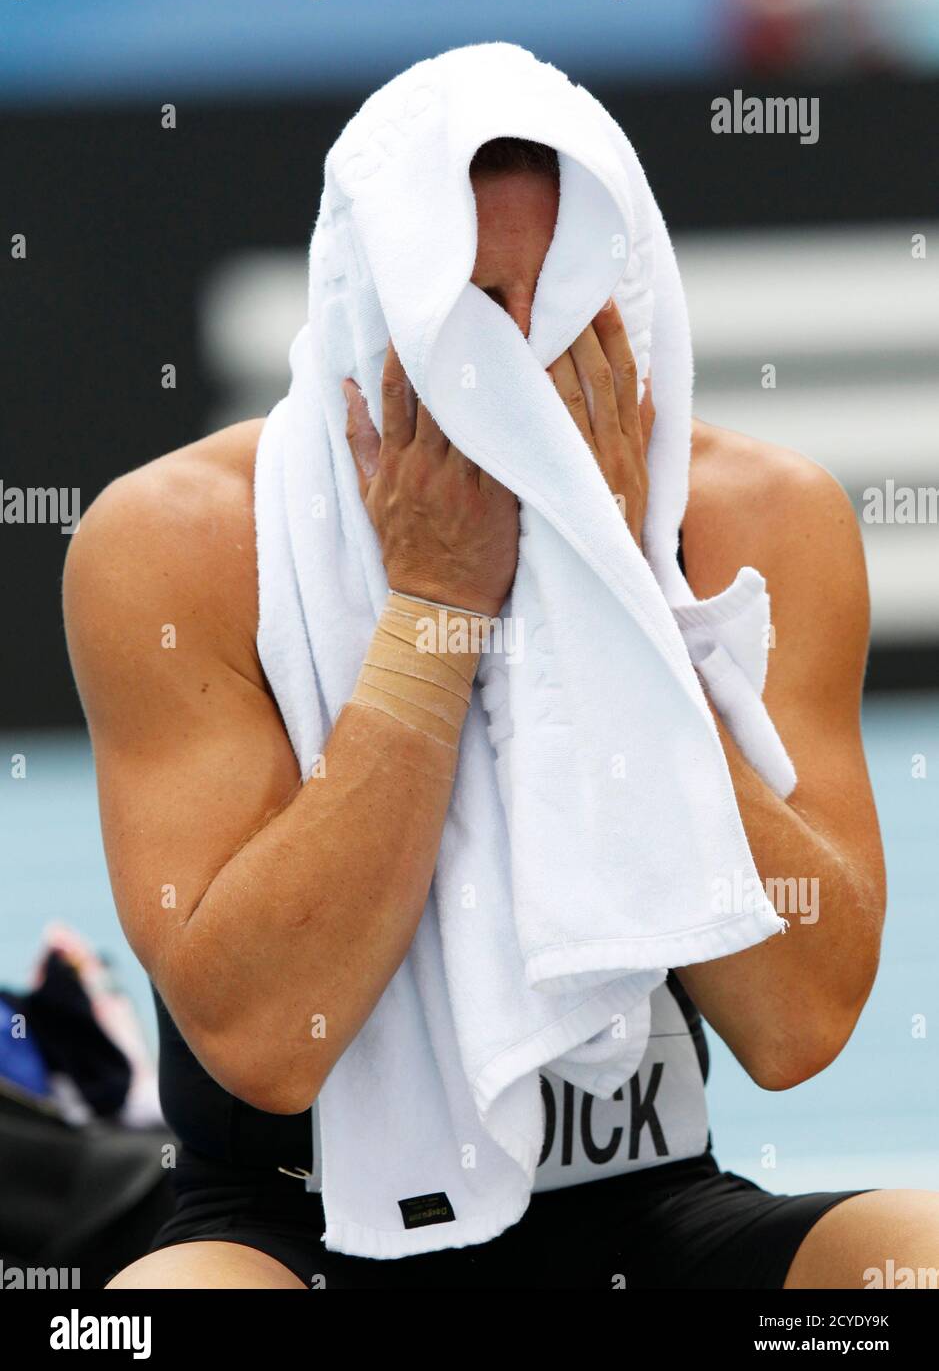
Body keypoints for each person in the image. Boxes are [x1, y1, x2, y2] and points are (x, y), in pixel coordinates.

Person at [63, 135, 937, 1289]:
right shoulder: (175, 537)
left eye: (563, 298)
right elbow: (271, 1044)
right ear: (374, 308)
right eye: (474, 306)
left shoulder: (761, 513)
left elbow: (799, 1025)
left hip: (651, 1218)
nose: (520, 354)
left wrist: (621, 600)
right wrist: (435, 611)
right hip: (301, 1234)